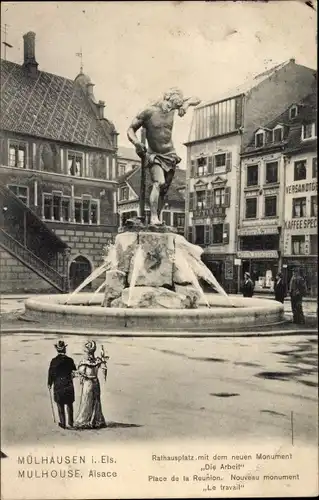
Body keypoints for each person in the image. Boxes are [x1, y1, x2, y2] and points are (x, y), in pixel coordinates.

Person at [127, 88, 201, 225]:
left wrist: (186, 104)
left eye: (173, 107)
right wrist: (137, 143)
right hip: (154, 154)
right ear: (166, 98)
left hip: (170, 154)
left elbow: (197, 98)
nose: (170, 109)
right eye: (169, 105)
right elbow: (131, 129)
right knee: (158, 182)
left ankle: (157, 218)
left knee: (164, 189)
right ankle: (153, 217)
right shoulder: (149, 111)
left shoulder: (175, 106)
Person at [74, 340, 109, 430]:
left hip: (88, 383)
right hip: (96, 382)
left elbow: (80, 372)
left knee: (87, 401)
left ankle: (86, 420)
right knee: (95, 401)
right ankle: (95, 420)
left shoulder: (84, 362)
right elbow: (104, 368)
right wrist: (103, 361)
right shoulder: (98, 361)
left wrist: (77, 374)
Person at [48, 340, 77, 429]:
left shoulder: (54, 361)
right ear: (64, 349)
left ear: (57, 350)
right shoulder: (70, 360)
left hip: (58, 385)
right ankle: (71, 422)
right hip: (68, 384)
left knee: (60, 404)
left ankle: (63, 423)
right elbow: (74, 371)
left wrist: (49, 383)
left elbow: (51, 373)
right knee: (69, 404)